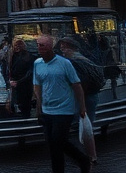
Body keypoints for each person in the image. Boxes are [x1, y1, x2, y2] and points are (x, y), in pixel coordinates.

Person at [33, 34, 91, 173]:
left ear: (51, 47)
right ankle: (81, 160)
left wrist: (82, 107)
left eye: (43, 45)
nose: (40, 48)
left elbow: (77, 85)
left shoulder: (65, 63)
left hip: (64, 110)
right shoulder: (37, 63)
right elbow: (37, 85)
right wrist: (38, 105)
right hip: (47, 110)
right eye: (38, 45)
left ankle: (81, 160)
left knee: (58, 141)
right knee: (53, 144)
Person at [59, 36, 103, 164]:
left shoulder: (74, 62)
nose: (62, 50)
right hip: (91, 95)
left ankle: (85, 155)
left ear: (70, 48)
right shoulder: (84, 59)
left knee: (81, 125)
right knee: (87, 125)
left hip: (84, 97)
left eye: (63, 47)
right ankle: (90, 155)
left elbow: (78, 82)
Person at [9, 38, 36, 117]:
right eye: (16, 45)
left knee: (25, 102)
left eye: (20, 44)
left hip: (25, 83)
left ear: (24, 46)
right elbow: (9, 70)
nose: (18, 47)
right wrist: (10, 80)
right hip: (15, 83)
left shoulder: (29, 56)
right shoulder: (12, 56)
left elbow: (30, 72)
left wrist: (19, 81)